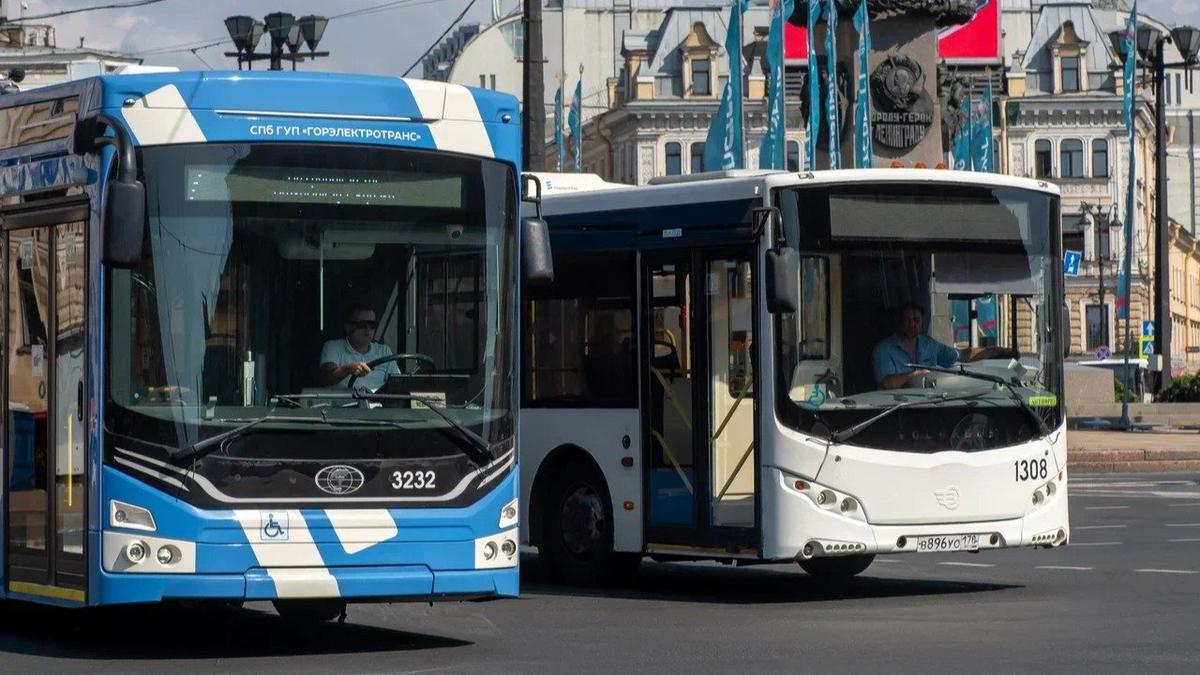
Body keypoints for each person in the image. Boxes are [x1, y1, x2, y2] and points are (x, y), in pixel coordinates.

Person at [872, 302, 1007, 390]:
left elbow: (963, 355)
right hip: (895, 410)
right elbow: (888, 383)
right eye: (907, 320)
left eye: (916, 320)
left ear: (922, 323)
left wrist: (994, 351)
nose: (912, 324)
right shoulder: (883, 349)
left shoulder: (929, 345)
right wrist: (915, 376)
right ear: (899, 322)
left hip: (928, 407)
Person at [318, 304, 401, 391]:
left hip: (379, 403)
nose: (368, 330)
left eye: (372, 325)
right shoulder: (333, 347)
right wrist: (347, 369)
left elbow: (398, 383)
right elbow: (327, 378)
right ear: (348, 326)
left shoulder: (384, 351)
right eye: (362, 324)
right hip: (344, 403)